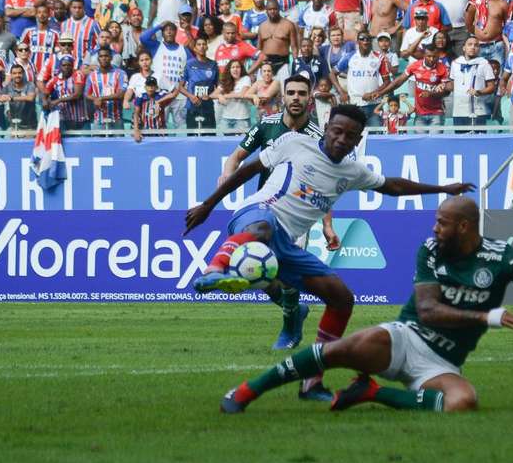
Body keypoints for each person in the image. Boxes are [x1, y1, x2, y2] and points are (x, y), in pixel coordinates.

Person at [184, 100, 476, 401]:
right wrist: (209, 204)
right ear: (326, 128)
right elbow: (249, 170)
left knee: (341, 299)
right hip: (257, 214)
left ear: (358, 139)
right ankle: (213, 270)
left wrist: (442, 189)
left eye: (350, 136)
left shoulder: (351, 171)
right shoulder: (294, 143)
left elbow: (393, 186)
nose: (341, 139)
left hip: (286, 242)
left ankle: (312, 382)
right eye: (337, 131)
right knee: (263, 230)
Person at [219, 196, 513, 414]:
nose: (435, 229)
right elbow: (430, 310)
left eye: (443, 223)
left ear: (465, 227)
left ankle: (372, 393)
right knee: (338, 350)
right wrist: (487, 316)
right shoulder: (431, 249)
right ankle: (247, 391)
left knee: (463, 403)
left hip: (442, 362)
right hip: (407, 337)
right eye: (436, 221)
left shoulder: (502, 256)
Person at [219, 75, 325, 349]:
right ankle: (295, 312)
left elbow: (324, 183)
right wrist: (226, 179)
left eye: (302, 93)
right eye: (291, 93)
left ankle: (290, 325)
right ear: (283, 97)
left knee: (284, 276)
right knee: (257, 271)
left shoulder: (316, 137)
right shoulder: (266, 126)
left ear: (309, 99)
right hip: (262, 210)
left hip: (296, 214)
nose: (296, 98)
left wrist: (327, 224)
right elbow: (236, 157)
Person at [377, 43, 452, 130]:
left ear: (438, 55)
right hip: (419, 113)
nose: (431, 59)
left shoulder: (443, 69)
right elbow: (398, 82)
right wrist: (381, 93)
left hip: (437, 113)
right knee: (419, 142)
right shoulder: (415, 66)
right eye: (429, 56)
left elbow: (447, 92)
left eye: (434, 56)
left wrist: (431, 94)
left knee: (434, 142)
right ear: (424, 55)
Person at [331, 30, 391, 127]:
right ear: (357, 41)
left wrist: (373, 93)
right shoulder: (349, 56)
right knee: (354, 136)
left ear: (371, 41)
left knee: (375, 136)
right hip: (354, 104)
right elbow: (332, 73)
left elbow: (387, 82)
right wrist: (341, 92)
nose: (365, 41)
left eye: (368, 39)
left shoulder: (380, 58)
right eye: (362, 39)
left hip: (374, 105)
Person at [140, 21, 192, 129]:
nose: (169, 32)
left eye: (171, 30)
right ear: (162, 33)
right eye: (166, 30)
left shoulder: (184, 50)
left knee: (182, 127)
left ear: (175, 32)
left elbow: (192, 68)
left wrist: (183, 83)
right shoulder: (156, 46)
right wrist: (159, 26)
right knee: (160, 125)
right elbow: (143, 38)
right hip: (161, 94)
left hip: (180, 95)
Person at [450, 35, 497, 128]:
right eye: (470, 44)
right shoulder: (455, 63)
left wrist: (479, 92)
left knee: (479, 140)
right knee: (460, 141)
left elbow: (492, 87)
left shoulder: (484, 63)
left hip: (478, 111)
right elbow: (451, 85)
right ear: (464, 47)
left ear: (479, 48)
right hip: (459, 111)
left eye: (476, 45)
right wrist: (442, 86)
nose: (473, 47)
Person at [465, 0, 507, 66]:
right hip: (478, 46)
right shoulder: (475, 1)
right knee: (478, 77)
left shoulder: (503, 4)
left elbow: (506, 25)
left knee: (497, 75)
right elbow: (468, 24)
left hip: (496, 46)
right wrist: (480, 34)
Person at [179, 36, 218, 132]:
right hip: (192, 107)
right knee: (192, 139)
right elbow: (180, 87)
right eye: (199, 44)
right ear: (195, 48)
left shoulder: (213, 64)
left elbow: (218, 88)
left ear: (207, 47)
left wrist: (210, 96)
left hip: (208, 107)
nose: (202, 47)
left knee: (210, 137)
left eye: (204, 44)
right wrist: (191, 96)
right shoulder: (188, 64)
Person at [84, 46, 128, 130]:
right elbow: (86, 94)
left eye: (106, 56)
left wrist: (101, 98)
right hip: (98, 119)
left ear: (111, 58)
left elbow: (120, 94)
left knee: (118, 142)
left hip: (116, 119)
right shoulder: (92, 75)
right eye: (101, 56)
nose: (104, 58)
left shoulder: (121, 74)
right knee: (97, 143)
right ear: (98, 59)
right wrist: (95, 99)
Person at [43, 54, 89, 132]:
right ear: (60, 66)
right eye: (64, 65)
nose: (66, 67)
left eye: (69, 65)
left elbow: (77, 95)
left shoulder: (77, 75)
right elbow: (45, 92)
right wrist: (45, 101)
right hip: (63, 119)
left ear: (72, 66)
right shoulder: (55, 79)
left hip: (79, 119)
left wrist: (58, 100)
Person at [258, 0, 299, 82]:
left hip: (282, 63)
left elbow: (294, 47)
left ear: (279, 9)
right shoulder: (262, 26)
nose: (272, 11)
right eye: (270, 9)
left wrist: (296, 65)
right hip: (265, 64)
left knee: (284, 90)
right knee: (262, 92)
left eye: (275, 9)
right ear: (266, 10)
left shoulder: (288, 25)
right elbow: (259, 49)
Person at [61, 0, 101, 70]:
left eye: (79, 8)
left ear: (84, 8)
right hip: (68, 67)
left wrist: (91, 62)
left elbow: (100, 44)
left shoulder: (93, 24)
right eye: (74, 7)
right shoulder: (64, 24)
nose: (77, 10)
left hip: (85, 67)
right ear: (70, 8)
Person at [20, 2, 59, 75]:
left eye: (44, 12)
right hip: (30, 71)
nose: (42, 15)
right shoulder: (28, 32)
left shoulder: (55, 34)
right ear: (36, 15)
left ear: (49, 15)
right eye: (39, 12)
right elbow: (20, 51)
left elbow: (57, 54)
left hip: (47, 72)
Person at [213, 58, 252, 132]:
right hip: (226, 119)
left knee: (242, 142)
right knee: (224, 143)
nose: (235, 69)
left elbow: (241, 95)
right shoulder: (225, 81)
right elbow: (212, 95)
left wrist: (223, 96)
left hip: (242, 119)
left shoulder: (246, 79)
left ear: (241, 69)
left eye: (238, 67)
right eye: (233, 67)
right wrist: (219, 96)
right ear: (229, 70)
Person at [0, 63, 36, 133]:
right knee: (5, 140)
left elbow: (30, 98)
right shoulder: (8, 87)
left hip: (30, 127)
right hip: (13, 126)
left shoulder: (30, 85)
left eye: (19, 73)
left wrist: (11, 98)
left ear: (23, 74)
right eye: (14, 73)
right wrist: (1, 98)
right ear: (11, 75)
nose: (17, 75)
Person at [133, 76, 172, 141]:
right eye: (148, 85)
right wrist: (136, 130)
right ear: (145, 87)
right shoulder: (141, 97)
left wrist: (158, 101)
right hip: (145, 131)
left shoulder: (160, 95)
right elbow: (136, 114)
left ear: (156, 87)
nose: (150, 87)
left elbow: (172, 94)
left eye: (153, 85)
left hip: (159, 131)